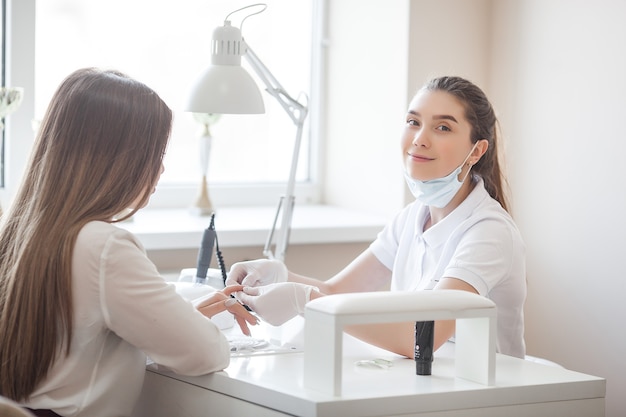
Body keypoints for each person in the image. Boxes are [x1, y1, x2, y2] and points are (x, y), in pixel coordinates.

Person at [0, 68, 257, 417]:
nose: (161, 170)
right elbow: (207, 353)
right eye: (156, 154)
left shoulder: (17, 233)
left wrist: (174, 321)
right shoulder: (104, 247)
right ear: (119, 159)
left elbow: (77, 343)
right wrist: (193, 328)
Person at [227, 75, 526, 359]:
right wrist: (278, 275)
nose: (419, 139)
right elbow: (336, 291)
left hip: (482, 392)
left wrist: (304, 301)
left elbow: (420, 339)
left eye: (443, 128)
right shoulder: (411, 218)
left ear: (476, 151)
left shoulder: (489, 231)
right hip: (424, 383)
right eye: (413, 122)